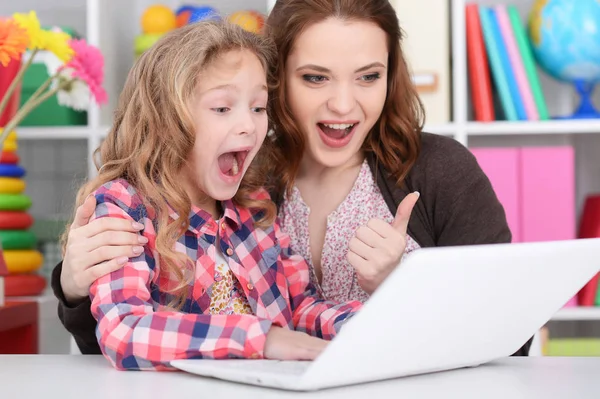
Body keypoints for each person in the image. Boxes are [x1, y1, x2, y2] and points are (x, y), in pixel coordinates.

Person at [52, 0, 532, 357]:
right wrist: (74, 284)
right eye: (316, 78)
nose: (344, 105)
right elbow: (117, 336)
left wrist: (404, 302)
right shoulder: (248, 180)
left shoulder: (251, 203)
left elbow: (511, 337)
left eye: (368, 76)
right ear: (278, 76)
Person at [66, 20, 362, 370]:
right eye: (222, 108)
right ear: (165, 119)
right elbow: (126, 332)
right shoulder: (125, 207)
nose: (249, 126)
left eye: (258, 107)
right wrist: (263, 339)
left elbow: (301, 308)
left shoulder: (254, 208)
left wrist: (369, 322)